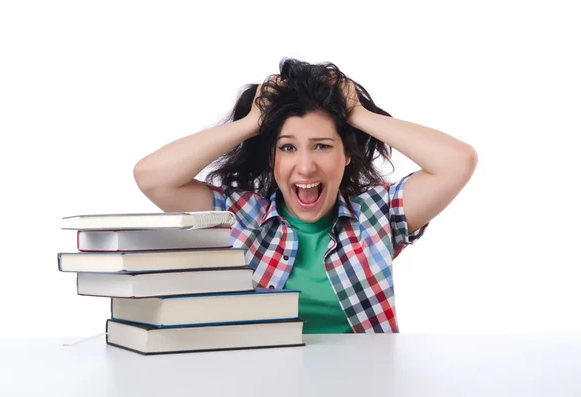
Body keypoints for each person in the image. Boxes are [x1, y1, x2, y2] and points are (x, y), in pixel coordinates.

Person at [133, 58, 478, 334]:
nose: (305, 166)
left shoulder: (378, 215)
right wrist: (253, 122)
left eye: (322, 146)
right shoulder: (239, 217)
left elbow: (456, 162)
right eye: (287, 147)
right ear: (272, 158)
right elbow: (152, 178)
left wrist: (355, 113)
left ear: (346, 156)